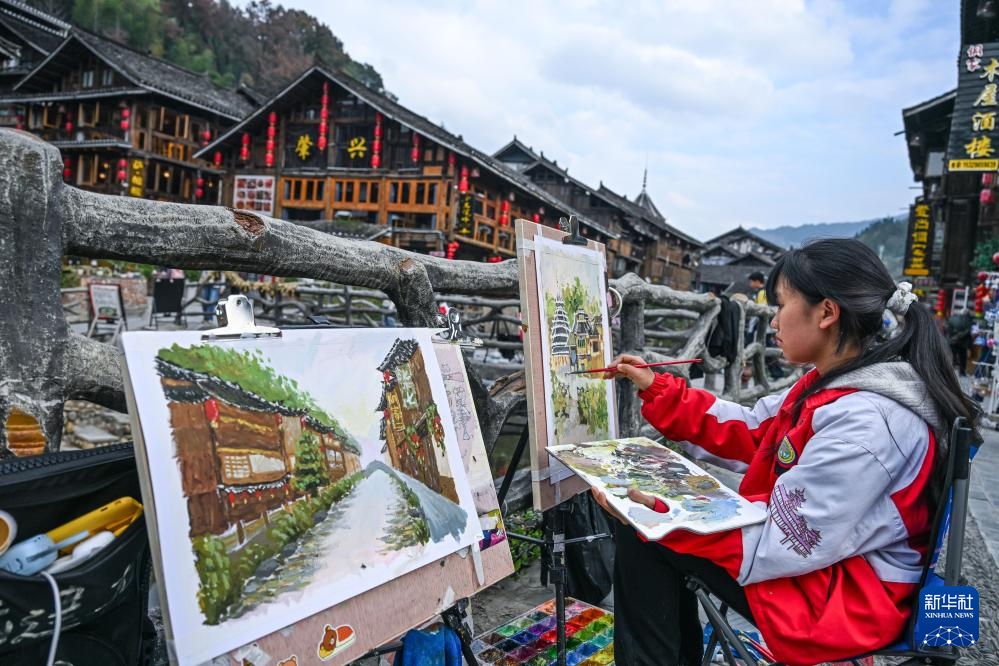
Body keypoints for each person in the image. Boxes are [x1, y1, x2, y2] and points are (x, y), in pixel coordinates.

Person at [595, 238, 977, 666]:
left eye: (781, 304)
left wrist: (667, 511)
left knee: (647, 531)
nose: (774, 320)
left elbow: (784, 538)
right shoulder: (836, 385)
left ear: (827, 313)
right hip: (830, 560)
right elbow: (755, 432)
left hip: (852, 599)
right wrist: (660, 389)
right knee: (656, 528)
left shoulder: (868, 421)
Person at [945, 308, 973, 377]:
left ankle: (949, 371)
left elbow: (947, 328)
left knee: (951, 356)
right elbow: (968, 331)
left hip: (952, 341)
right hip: (963, 343)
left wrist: (953, 336)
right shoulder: (968, 320)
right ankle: (962, 372)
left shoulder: (952, 318)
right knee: (962, 358)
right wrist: (959, 336)